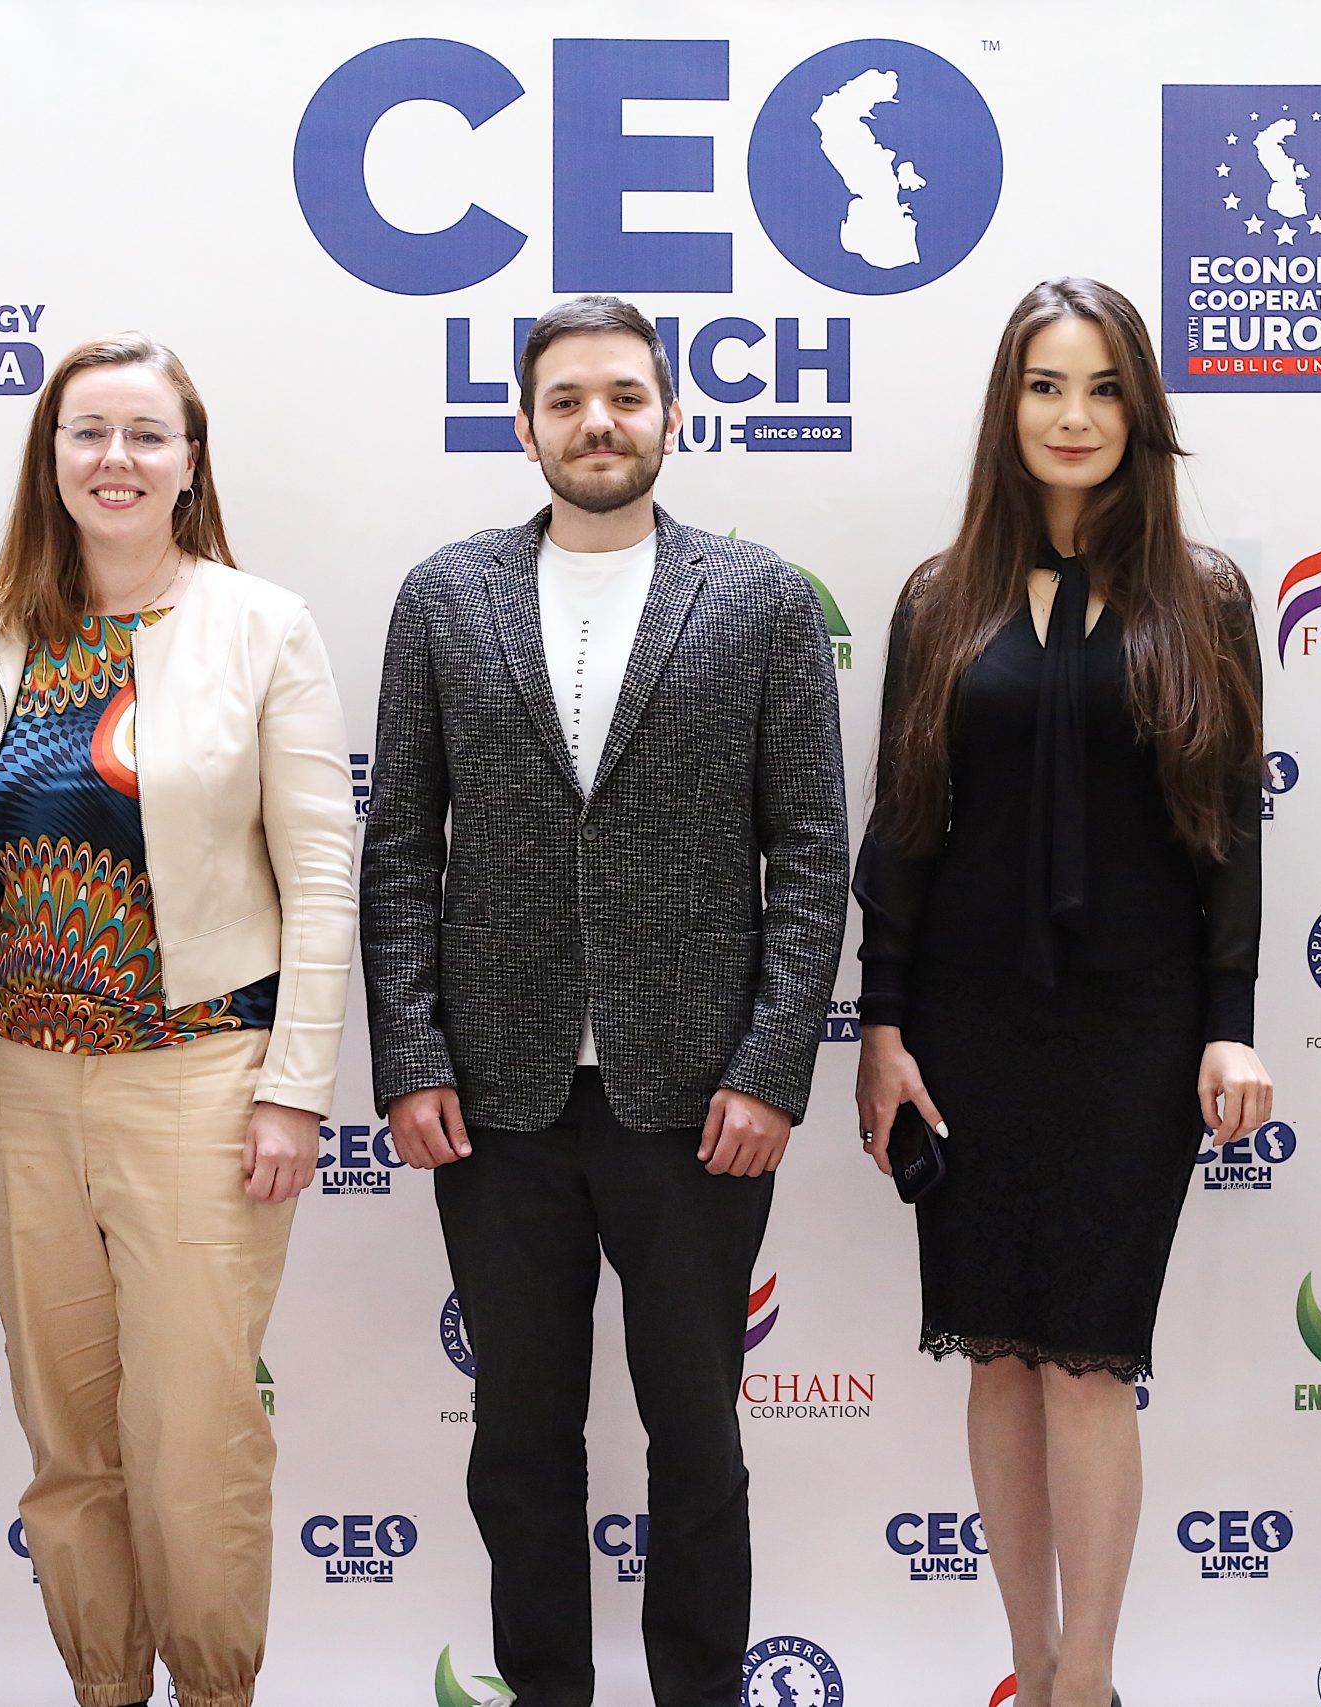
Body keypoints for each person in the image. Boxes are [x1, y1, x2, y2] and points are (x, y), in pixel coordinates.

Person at [360, 294, 848, 1707]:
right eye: (567, 400)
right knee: (519, 1444)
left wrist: (769, 1068)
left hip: (697, 1102)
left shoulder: (758, 599)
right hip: (495, 1098)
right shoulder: (443, 597)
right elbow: (400, 848)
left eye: (626, 397)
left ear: (672, 419)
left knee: (698, 1442)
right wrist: (411, 1057)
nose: (598, 423)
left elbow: (812, 852)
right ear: (524, 426)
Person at [0, 334, 356, 1707]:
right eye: (87, 432)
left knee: (195, 1434)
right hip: (12, 1084)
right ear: (50, 460)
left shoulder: (261, 626)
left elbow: (321, 873)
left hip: (201, 1081)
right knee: (68, 1440)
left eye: (146, 435)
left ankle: (214, 1691)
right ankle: (103, 1686)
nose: (116, 459)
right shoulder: (1, 637)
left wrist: (294, 1088)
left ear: (190, 463)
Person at [852, 278, 1271, 1707]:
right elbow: (903, 829)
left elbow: (1230, 831)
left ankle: (1087, 1679)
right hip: (968, 1027)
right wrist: (883, 1027)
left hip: (1133, 1032)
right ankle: (1025, 1666)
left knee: (1087, 1358)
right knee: (997, 1359)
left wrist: (1229, 1024)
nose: (1074, 416)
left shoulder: (1206, 597)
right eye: (1046, 385)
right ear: (1007, 406)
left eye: (1102, 388)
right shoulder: (939, 599)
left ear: (1140, 411)